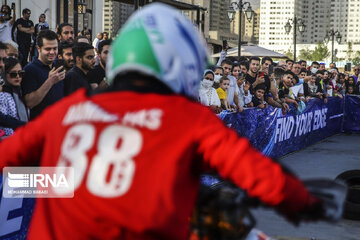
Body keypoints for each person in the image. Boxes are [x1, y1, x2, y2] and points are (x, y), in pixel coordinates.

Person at [0, 4, 324, 239]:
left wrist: (65, 181)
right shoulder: (187, 120)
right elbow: (265, 180)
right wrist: (309, 202)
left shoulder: (68, 111)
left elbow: (12, 171)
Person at [22, 30, 65, 119]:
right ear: (38, 48)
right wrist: (50, 82)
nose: (52, 52)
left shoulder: (58, 66)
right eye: (48, 49)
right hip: (40, 127)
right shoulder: (30, 70)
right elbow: (30, 103)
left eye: (55, 48)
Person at [0, 57, 29, 136]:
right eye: (13, 74)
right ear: (4, 74)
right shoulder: (3, 94)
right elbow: (4, 123)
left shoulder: (19, 91)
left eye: (21, 73)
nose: (18, 77)